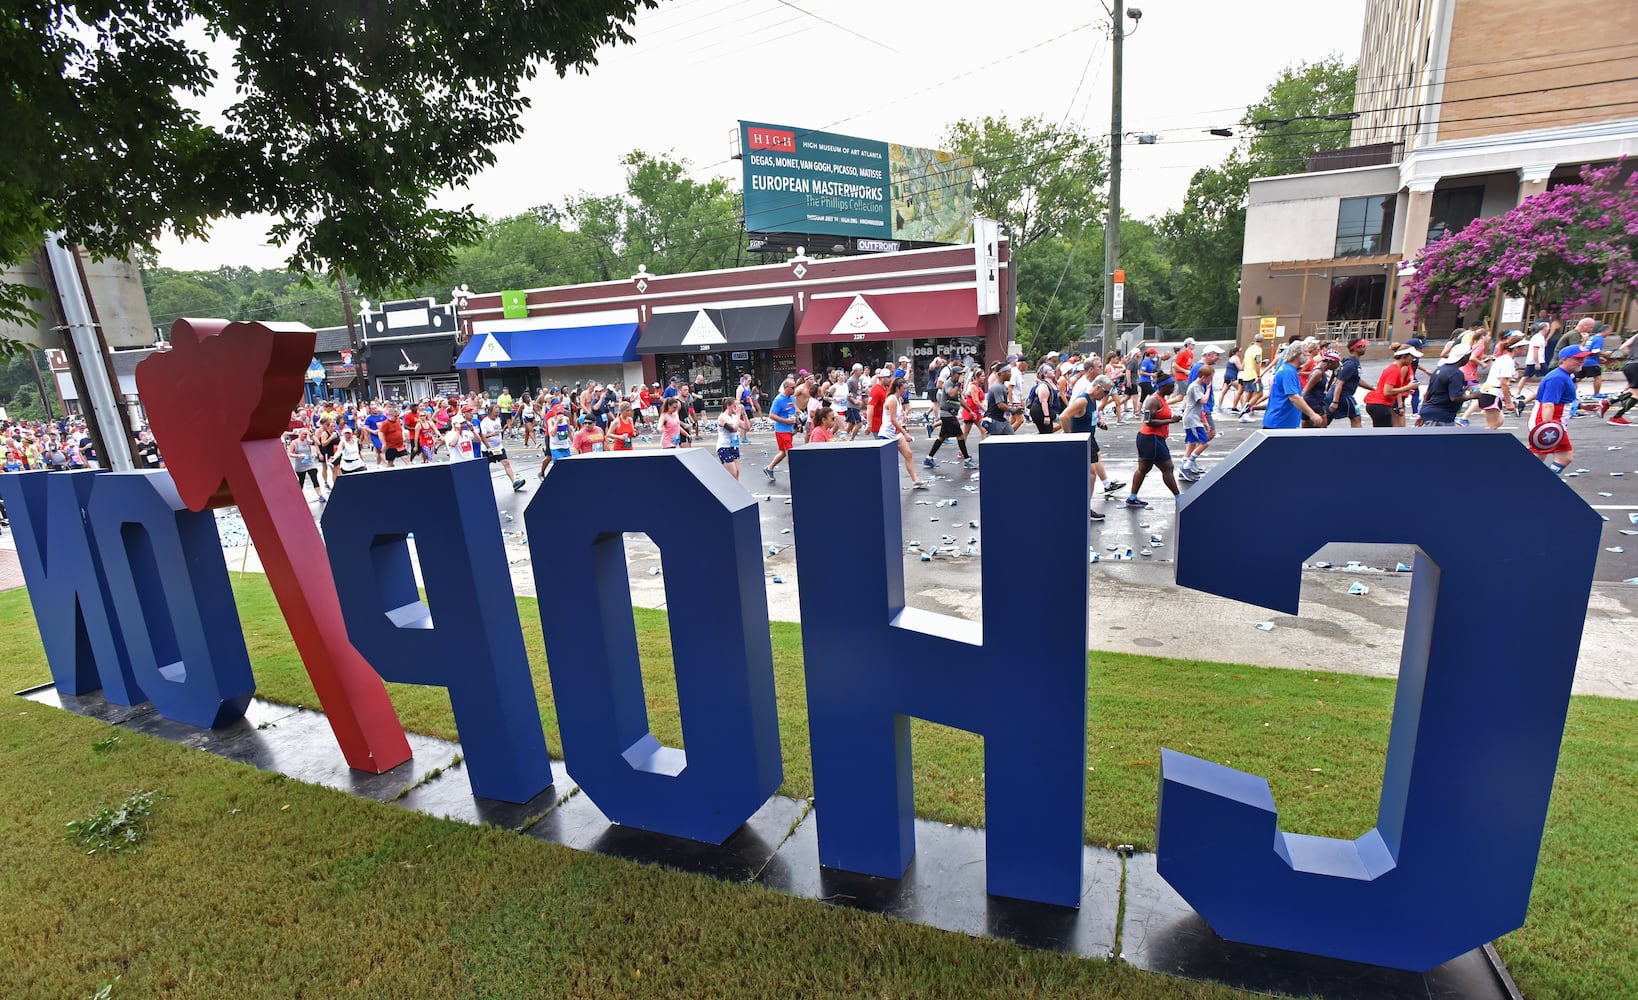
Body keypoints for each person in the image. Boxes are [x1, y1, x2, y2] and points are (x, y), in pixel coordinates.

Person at [1057, 371, 1124, 520]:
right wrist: (1069, 436)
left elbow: (1089, 417)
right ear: (1098, 388)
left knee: (1091, 474)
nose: (1106, 395)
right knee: (1089, 474)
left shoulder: (1093, 401)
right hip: (1080, 440)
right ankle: (1082, 507)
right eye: (1106, 392)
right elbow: (1064, 416)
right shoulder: (1083, 400)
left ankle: (1084, 506)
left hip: (1089, 439)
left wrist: (1098, 423)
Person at [1530, 345, 1593, 473]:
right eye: (1577, 358)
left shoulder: (1564, 376)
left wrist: (1581, 406)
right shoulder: (1558, 378)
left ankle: (1525, 480)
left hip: (1551, 423)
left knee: (1538, 456)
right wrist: (1548, 427)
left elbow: (1561, 400)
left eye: (1583, 358)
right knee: (1564, 457)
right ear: (1564, 359)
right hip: (1550, 422)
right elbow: (1548, 404)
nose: (1582, 361)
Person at [1124, 377, 1182, 508]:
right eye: (1171, 386)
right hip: (1151, 439)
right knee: (1168, 468)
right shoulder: (1153, 400)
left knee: (1144, 468)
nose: (1173, 389)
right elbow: (1148, 421)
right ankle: (1179, 497)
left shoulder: (1161, 399)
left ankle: (1132, 498)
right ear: (1162, 386)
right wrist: (1171, 421)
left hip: (1152, 438)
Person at [878, 376, 928, 489]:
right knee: (888, 462)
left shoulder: (899, 399)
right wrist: (905, 433)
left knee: (908, 454)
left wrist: (905, 415)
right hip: (887, 434)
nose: (905, 391)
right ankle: (884, 483)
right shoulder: (892, 400)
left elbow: (898, 414)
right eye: (904, 389)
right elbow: (892, 419)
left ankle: (915, 480)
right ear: (897, 388)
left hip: (896, 433)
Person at [1262, 341, 1326, 430]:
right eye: (1306, 352)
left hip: (1282, 422)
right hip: (1280, 423)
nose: (1308, 355)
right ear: (1297, 354)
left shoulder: (1289, 369)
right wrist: (1312, 414)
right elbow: (1294, 397)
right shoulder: (1289, 372)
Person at [926, 363, 975, 469]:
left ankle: (929, 458)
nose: (961, 376)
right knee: (960, 436)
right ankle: (967, 460)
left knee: (941, 437)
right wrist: (958, 385)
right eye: (959, 374)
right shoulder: (949, 383)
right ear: (953, 374)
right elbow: (951, 394)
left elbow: (959, 398)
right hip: (947, 414)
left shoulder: (957, 385)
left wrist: (969, 410)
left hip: (950, 414)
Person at [1419, 343, 1476, 427]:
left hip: (1429, 412)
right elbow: (1455, 397)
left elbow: (1427, 394)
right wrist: (1474, 396)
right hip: (1441, 416)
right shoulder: (1456, 373)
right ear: (1464, 357)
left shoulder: (1440, 369)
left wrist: (1421, 413)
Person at [1478, 334, 1526, 429]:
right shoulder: (1507, 361)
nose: (1524, 350)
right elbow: (1503, 383)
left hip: (1491, 393)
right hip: (1492, 393)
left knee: (1499, 421)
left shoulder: (1507, 360)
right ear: (1516, 348)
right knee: (1493, 425)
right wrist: (1508, 402)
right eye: (1523, 348)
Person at [1364, 346, 1420, 427]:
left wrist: (1404, 390)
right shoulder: (1395, 370)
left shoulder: (1394, 368)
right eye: (1412, 357)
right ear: (1404, 357)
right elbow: (1387, 392)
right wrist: (1407, 387)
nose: (1413, 360)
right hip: (1380, 404)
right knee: (1384, 434)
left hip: (1378, 404)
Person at [1179, 363, 1215, 482]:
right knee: (1204, 443)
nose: (1210, 380)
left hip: (1195, 418)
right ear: (1204, 377)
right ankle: (1186, 466)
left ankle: (1184, 467)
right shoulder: (1195, 387)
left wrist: (1204, 421)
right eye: (1210, 378)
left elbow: (1198, 406)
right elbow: (1203, 401)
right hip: (1192, 420)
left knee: (1191, 444)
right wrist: (1209, 388)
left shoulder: (1199, 386)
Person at [480, 404, 526, 490]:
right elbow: (483, 436)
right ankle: (484, 485)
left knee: (506, 463)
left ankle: (514, 482)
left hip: (498, 447)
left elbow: (499, 430)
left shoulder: (498, 419)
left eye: (498, 412)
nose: (497, 414)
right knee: (485, 468)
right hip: (488, 449)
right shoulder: (485, 422)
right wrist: (490, 441)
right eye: (495, 413)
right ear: (490, 412)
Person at [764, 378, 798, 481]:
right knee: (789, 451)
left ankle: (769, 467)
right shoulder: (778, 399)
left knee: (783, 452)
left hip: (789, 428)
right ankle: (794, 473)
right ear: (786, 388)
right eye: (792, 388)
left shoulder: (791, 398)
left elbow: (793, 410)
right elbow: (771, 415)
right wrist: (785, 421)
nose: (794, 389)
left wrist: (797, 422)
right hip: (782, 429)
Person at [1329, 339, 1368, 428]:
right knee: (1356, 418)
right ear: (1355, 348)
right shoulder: (1350, 364)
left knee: (1325, 421)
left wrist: (1373, 389)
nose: (1365, 348)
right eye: (1363, 346)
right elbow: (1339, 382)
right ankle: (1357, 440)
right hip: (1343, 396)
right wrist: (1335, 401)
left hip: (1343, 396)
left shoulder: (1354, 362)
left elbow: (1357, 380)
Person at [1603, 331, 1638, 425]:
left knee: (1633, 391)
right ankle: (1617, 417)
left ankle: (1608, 402)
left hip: (1630, 364)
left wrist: (1633, 355)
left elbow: (1623, 347)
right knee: (1636, 394)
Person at [286, 428, 325, 503]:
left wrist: (311, 434)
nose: (304, 436)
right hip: (300, 465)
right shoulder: (294, 442)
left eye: (306, 434)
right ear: (299, 434)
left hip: (309, 463)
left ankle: (320, 495)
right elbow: (290, 453)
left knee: (314, 478)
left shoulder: (307, 441)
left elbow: (318, 443)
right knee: (301, 481)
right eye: (303, 434)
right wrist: (298, 456)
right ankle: (298, 496)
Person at [1237, 333, 1268, 421]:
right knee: (1259, 393)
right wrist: (1258, 375)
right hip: (1253, 375)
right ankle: (1245, 411)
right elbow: (1257, 363)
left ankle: (1244, 414)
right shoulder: (1258, 350)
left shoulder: (1249, 349)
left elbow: (1244, 363)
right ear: (1262, 341)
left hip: (1246, 375)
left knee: (1248, 394)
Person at [716, 399, 750, 479]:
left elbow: (747, 427)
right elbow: (733, 429)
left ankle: (735, 490)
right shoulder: (722, 417)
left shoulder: (734, 417)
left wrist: (744, 414)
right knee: (733, 474)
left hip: (734, 446)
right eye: (735, 406)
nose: (737, 408)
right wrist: (738, 414)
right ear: (728, 406)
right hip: (724, 447)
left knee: (737, 473)